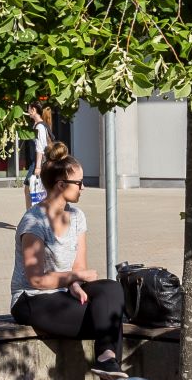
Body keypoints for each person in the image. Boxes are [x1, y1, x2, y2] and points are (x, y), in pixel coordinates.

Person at [10, 143, 127, 366]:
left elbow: (78, 269)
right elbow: (36, 280)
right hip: (32, 298)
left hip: (62, 292)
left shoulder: (76, 216)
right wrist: (74, 279)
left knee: (111, 289)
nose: (83, 187)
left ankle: (106, 359)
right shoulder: (34, 221)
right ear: (61, 185)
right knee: (110, 320)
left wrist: (75, 283)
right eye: (79, 183)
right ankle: (110, 373)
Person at [25, 105, 54, 207]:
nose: (27, 111)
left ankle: (31, 217)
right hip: (37, 162)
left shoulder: (40, 127)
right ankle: (31, 216)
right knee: (31, 189)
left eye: (28, 109)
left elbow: (40, 148)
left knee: (31, 190)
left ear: (33, 110)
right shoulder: (38, 125)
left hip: (38, 163)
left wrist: (38, 167)